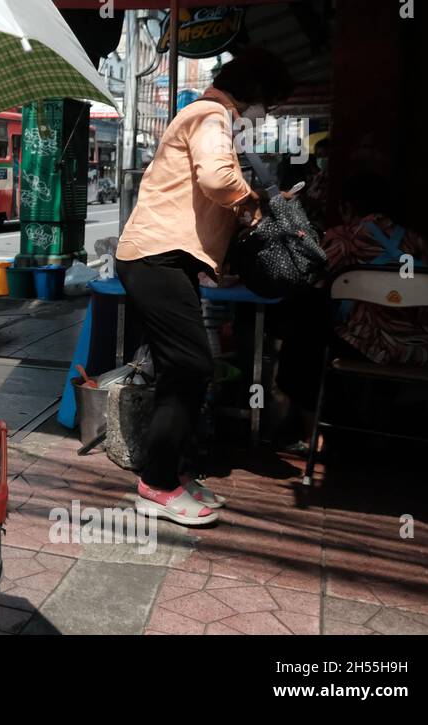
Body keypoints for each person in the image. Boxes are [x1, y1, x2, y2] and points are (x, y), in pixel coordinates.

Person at [115, 47, 293, 526]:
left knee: (184, 369)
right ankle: (156, 483)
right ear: (254, 93)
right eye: (268, 105)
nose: (266, 115)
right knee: (190, 367)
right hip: (153, 257)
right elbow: (217, 180)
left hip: (166, 260)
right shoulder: (211, 114)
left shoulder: (207, 116)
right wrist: (257, 203)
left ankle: (171, 471)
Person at [275, 168, 428, 449]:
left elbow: (308, 278)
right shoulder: (418, 242)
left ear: (347, 206)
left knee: (304, 329)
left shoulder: (344, 239)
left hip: (368, 345)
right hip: (424, 350)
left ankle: (311, 434)